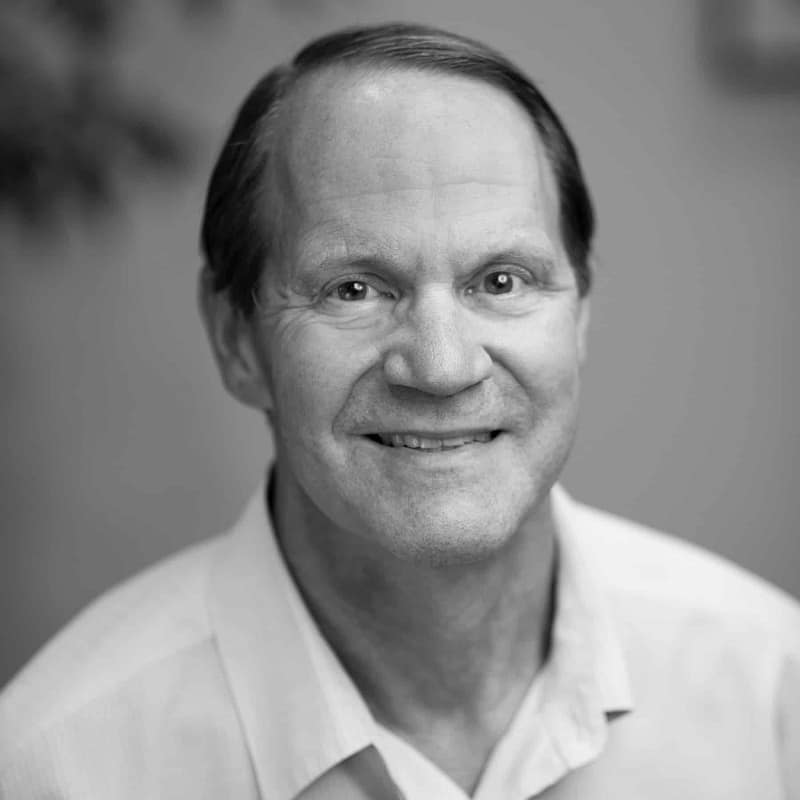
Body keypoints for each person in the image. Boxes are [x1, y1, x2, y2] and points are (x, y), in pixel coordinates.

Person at [1, 22, 798, 800]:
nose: (443, 367)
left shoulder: (773, 693)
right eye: (353, 289)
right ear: (236, 339)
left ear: (580, 315)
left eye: (502, 281)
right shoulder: (53, 767)